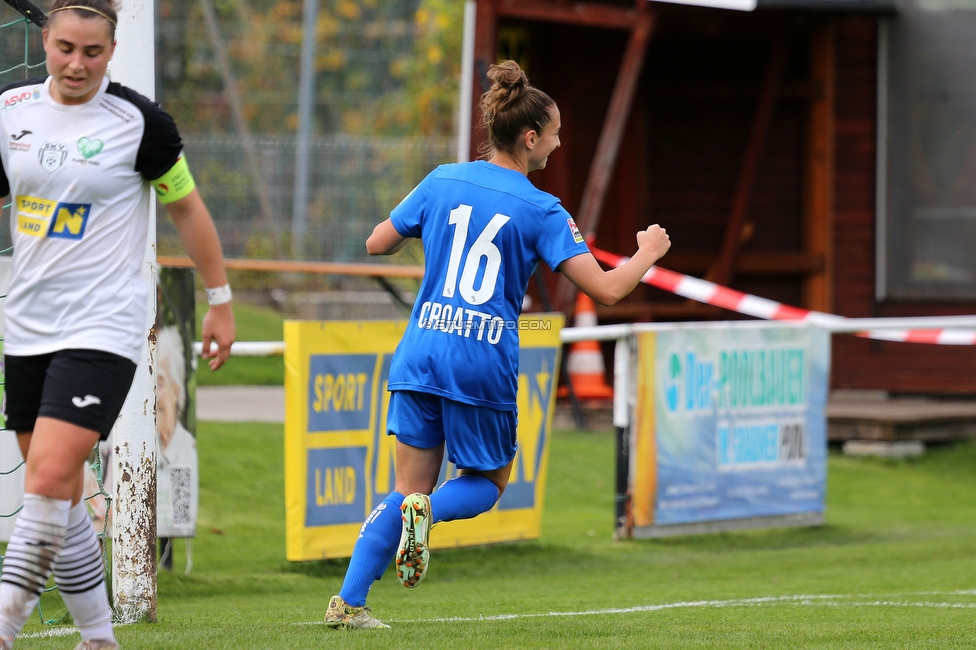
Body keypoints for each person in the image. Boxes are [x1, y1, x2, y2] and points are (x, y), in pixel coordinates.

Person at [324, 60, 671, 630]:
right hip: (480, 358)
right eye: (555, 133)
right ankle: (425, 515)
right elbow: (607, 289)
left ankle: (348, 605)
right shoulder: (541, 208)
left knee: (405, 490)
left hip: (422, 348)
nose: (559, 145)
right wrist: (647, 254)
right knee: (485, 485)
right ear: (530, 137)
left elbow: (376, 243)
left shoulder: (442, 178)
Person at [0, 0, 236, 647]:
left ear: (111, 48)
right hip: (27, 328)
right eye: (66, 48)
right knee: (63, 496)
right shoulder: (11, 115)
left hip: (105, 325)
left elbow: (187, 209)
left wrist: (220, 299)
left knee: (45, 479)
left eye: (93, 52)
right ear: (44, 40)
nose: (78, 64)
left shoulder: (140, 123)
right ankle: (100, 639)